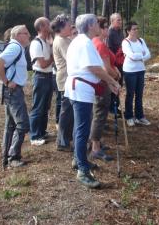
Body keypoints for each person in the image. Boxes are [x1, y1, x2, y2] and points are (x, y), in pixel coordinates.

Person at [64, 14, 120, 188]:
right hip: (81, 90)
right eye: (96, 23)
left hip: (79, 88)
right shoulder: (85, 42)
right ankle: (82, 170)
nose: (99, 26)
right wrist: (111, 81)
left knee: (79, 128)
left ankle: (78, 160)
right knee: (82, 130)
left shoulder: (80, 41)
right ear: (89, 26)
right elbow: (94, 67)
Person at [0, 25, 31, 168]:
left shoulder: (17, 47)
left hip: (12, 90)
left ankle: (6, 158)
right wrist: (7, 81)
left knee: (10, 125)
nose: (29, 35)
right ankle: (13, 156)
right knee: (23, 124)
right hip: (12, 91)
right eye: (26, 33)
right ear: (17, 35)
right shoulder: (15, 47)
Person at [90, 16, 120, 161]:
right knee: (100, 114)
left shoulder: (96, 42)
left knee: (98, 114)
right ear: (100, 29)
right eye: (106, 26)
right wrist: (116, 77)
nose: (108, 29)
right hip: (101, 84)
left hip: (101, 83)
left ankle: (97, 142)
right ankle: (95, 148)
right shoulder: (99, 44)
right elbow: (106, 68)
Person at [29, 17, 54, 145]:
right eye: (48, 24)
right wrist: (53, 57)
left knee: (45, 106)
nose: (50, 25)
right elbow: (43, 64)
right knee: (38, 107)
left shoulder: (45, 42)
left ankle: (42, 131)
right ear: (41, 27)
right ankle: (34, 136)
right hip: (41, 77)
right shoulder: (36, 43)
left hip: (48, 77)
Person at [122, 21, 151, 127]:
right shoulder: (125, 42)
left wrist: (139, 56)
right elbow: (131, 56)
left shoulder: (141, 40)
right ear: (128, 31)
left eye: (137, 28)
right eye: (134, 29)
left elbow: (148, 54)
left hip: (140, 70)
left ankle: (140, 116)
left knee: (139, 94)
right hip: (130, 71)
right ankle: (129, 117)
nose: (136, 31)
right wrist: (141, 55)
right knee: (130, 94)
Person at [52, 14, 74, 152]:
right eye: (68, 25)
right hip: (65, 79)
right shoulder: (61, 41)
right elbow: (71, 58)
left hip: (67, 78)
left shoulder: (65, 39)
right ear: (61, 28)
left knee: (68, 111)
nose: (71, 27)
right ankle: (62, 142)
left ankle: (65, 139)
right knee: (66, 112)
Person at [107, 13, 124, 114]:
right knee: (114, 84)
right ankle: (112, 107)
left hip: (121, 63)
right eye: (118, 20)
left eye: (121, 20)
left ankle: (115, 106)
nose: (120, 22)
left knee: (119, 84)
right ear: (112, 21)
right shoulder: (110, 33)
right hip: (113, 64)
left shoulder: (120, 32)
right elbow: (109, 51)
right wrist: (113, 66)